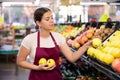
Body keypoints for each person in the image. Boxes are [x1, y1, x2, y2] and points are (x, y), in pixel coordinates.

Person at [17, 7, 92, 80]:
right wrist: (37, 67)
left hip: (55, 77)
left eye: (52, 18)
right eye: (47, 19)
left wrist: (85, 47)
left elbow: (72, 57)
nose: (51, 21)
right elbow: (20, 61)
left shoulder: (58, 37)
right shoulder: (30, 39)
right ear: (38, 23)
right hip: (37, 77)